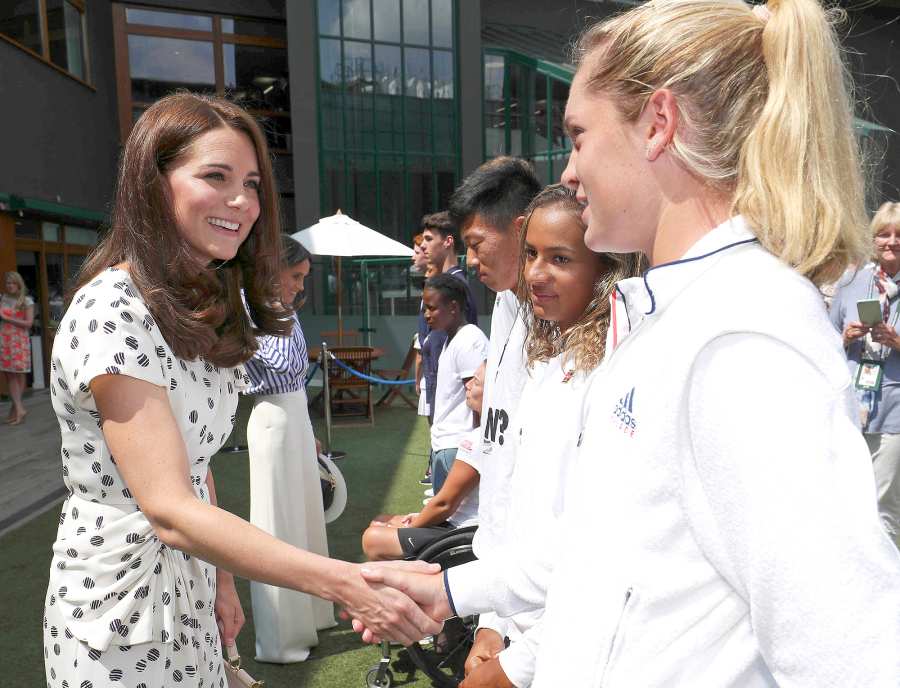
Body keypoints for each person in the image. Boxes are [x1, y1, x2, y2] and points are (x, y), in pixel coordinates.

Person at [358, 2, 900, 685]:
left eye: (579, 135)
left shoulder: (740, 335)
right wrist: (454, 591)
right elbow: (612, 539)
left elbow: (850, 646)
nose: (570, 171)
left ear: (659, 124)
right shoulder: (678, 314)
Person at [42, 92, 439, 688]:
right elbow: (169, 509)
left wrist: (221, 582)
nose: (241, 201)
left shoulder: (200, 301)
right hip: (117, 607)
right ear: (154, 183)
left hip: (192, 588)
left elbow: (192, 469)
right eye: (215, 176)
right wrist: (344, 583)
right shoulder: (114, 308)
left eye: (252, 183)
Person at [463, 185, 644, 688]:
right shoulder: (548, 362)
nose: (536, 274)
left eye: (560, 258)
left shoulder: (614, 374)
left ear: (606, 272)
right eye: (531, 255)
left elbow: (600, 555)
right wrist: (491, 625)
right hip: (519, 634)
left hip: (573, 651)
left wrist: (517, 667)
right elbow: (506, 501)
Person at [447, 156, 541, 672]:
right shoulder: (507, 305)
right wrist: (490, 620)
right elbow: (499, 455)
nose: (472, 259)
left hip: (541, 598)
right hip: (504, 579)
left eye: (478, 243)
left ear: (520, 227)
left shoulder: (574, 320)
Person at [243, 234, 336, 663]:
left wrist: (308, 427)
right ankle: (280, 639)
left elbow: (293, 373)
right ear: (273, 267)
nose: (301, 286)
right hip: (272, 420)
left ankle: (312, 617)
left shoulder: (279, 309)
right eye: (296, 275)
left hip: (293, 416)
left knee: (304, 519)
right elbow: (281, 366)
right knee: (277, 526)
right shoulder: (251, 306)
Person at [363, 361, 485, 560]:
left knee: (373, 538)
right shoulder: (483, 436)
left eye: (477, 382)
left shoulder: (478, 440)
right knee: (380, 521)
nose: (468, 384)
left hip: (464, 531)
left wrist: (413, 524)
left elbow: (445, 504)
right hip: (459, 523)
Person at [830, 201, 900, 548]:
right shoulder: (852, 281)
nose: (891, 241)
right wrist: (844, 338)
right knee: (846, 498)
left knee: (883, 505)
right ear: (873, 240)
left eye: (899, 235)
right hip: (853, 406)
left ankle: (887, 589)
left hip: (893, 410)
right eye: (883, 234)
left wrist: (896, 341)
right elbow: (824, 342)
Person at [424, 273, 488, 492]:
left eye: (432, 308)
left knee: (454, 521)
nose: (426, 315)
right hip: (444, 445)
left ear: (453, 307)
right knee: (444, 523)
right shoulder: (451, 339)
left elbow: (479, 400)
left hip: (459, 448)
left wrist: (476, 450)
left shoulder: (470, 340)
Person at [0, 270, 35, 425]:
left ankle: (18, 409)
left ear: (18, 284)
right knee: (9, 375)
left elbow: (29, 323)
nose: (10, 286)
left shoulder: (26, 301)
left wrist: (7, 318)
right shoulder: (3, 299)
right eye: (7, 283)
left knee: (17, 373)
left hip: (19, 340)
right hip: (4, 340)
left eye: (13, 283)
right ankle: (17, 409)